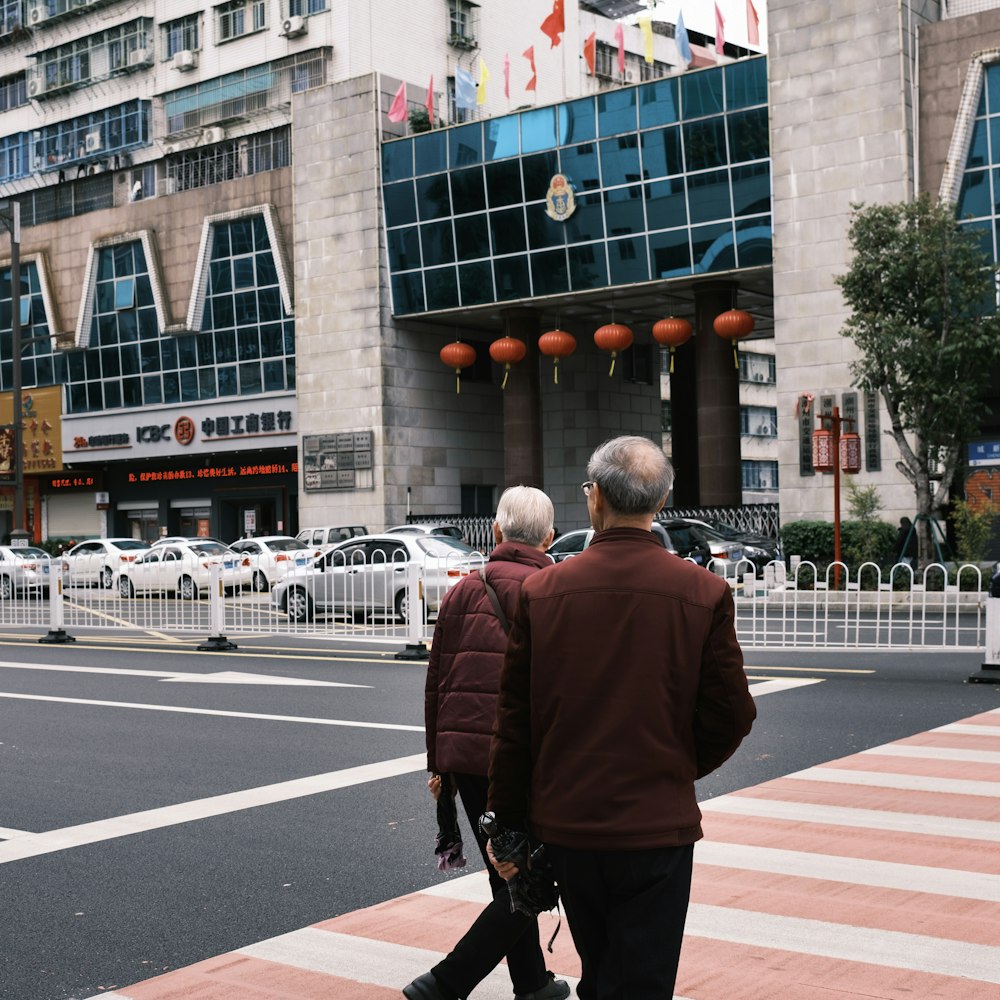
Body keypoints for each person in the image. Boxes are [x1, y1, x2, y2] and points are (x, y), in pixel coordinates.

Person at [488, 436, 757, 1000]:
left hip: (569, 824)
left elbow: (515, 722)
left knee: (601, 968)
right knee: (642, 980)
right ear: (659, 503)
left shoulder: (543, 592)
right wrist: (675, 765)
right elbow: (731, 714)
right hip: (657, 823)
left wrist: (506, 821)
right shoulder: (703, 592)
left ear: (596, 500)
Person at [403, 486, 569, 1000]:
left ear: (495, 532)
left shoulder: (461, 591)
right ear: (549, 536)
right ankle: (445, 982)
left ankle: (532, 984)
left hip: (468, 762)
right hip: (525, 763)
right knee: (536, 879)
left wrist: (439, 763)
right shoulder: (553, 589)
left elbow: (438, 681)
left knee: (508, 877)